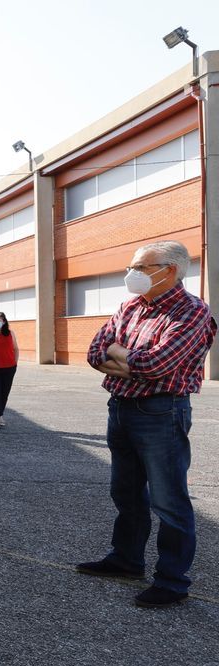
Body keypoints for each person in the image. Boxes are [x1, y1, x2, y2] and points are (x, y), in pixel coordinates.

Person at [79, 241, 216, 608]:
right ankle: (126, 560)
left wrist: (122, 354)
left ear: (169, 270)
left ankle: (172, 581)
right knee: (125, 491)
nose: (132, 273)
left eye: (141, 267)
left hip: (161, 412)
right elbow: (95, 353)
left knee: (168, 500)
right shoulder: (130, 306)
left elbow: (155, 366)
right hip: (121, 407)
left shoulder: (192, 312)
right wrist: (130, 359)